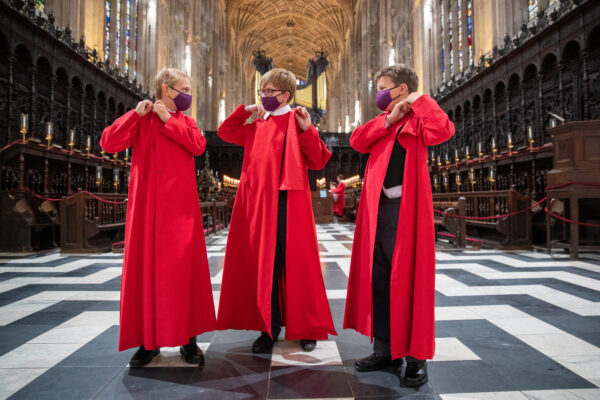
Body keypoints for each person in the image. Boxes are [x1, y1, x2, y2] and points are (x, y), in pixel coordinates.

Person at [343, 64, 455, 386]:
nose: (378, 92)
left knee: (406, 282)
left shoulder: (418, 116)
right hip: (376, 210)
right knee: (379, 280)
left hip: (404, 212)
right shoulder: (386, 121)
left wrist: (419, 100)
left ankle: (415, 359)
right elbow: (357, 141)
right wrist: (389, 119)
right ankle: (384, 350)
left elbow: (443, 130)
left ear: (402, 88)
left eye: (383, 86)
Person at [100, 67, 216, 367]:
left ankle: (189, 342)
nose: (189, 94)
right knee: (146, 274)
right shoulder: (142, 119)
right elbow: (109, 143)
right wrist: (134, 115)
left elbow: (198, 146)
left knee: (183, 276)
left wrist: (169, 121)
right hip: (147, 212)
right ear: (167, 89)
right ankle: (147, 343)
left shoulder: (186, 122)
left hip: (180, 213)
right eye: (184, 88)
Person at [216, 67, 336, 353]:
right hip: (259, 204)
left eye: (270, 92)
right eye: (262, 91)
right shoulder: (256, 124)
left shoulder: (299, 121)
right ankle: (268, 327)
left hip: (291, 204)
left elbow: (318, 160)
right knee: (264, 266)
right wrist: (244, 111)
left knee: (297, 265)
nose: (264, 96)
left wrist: (308, 130)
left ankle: (306, 327)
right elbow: (224, 131)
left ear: (286, 95)